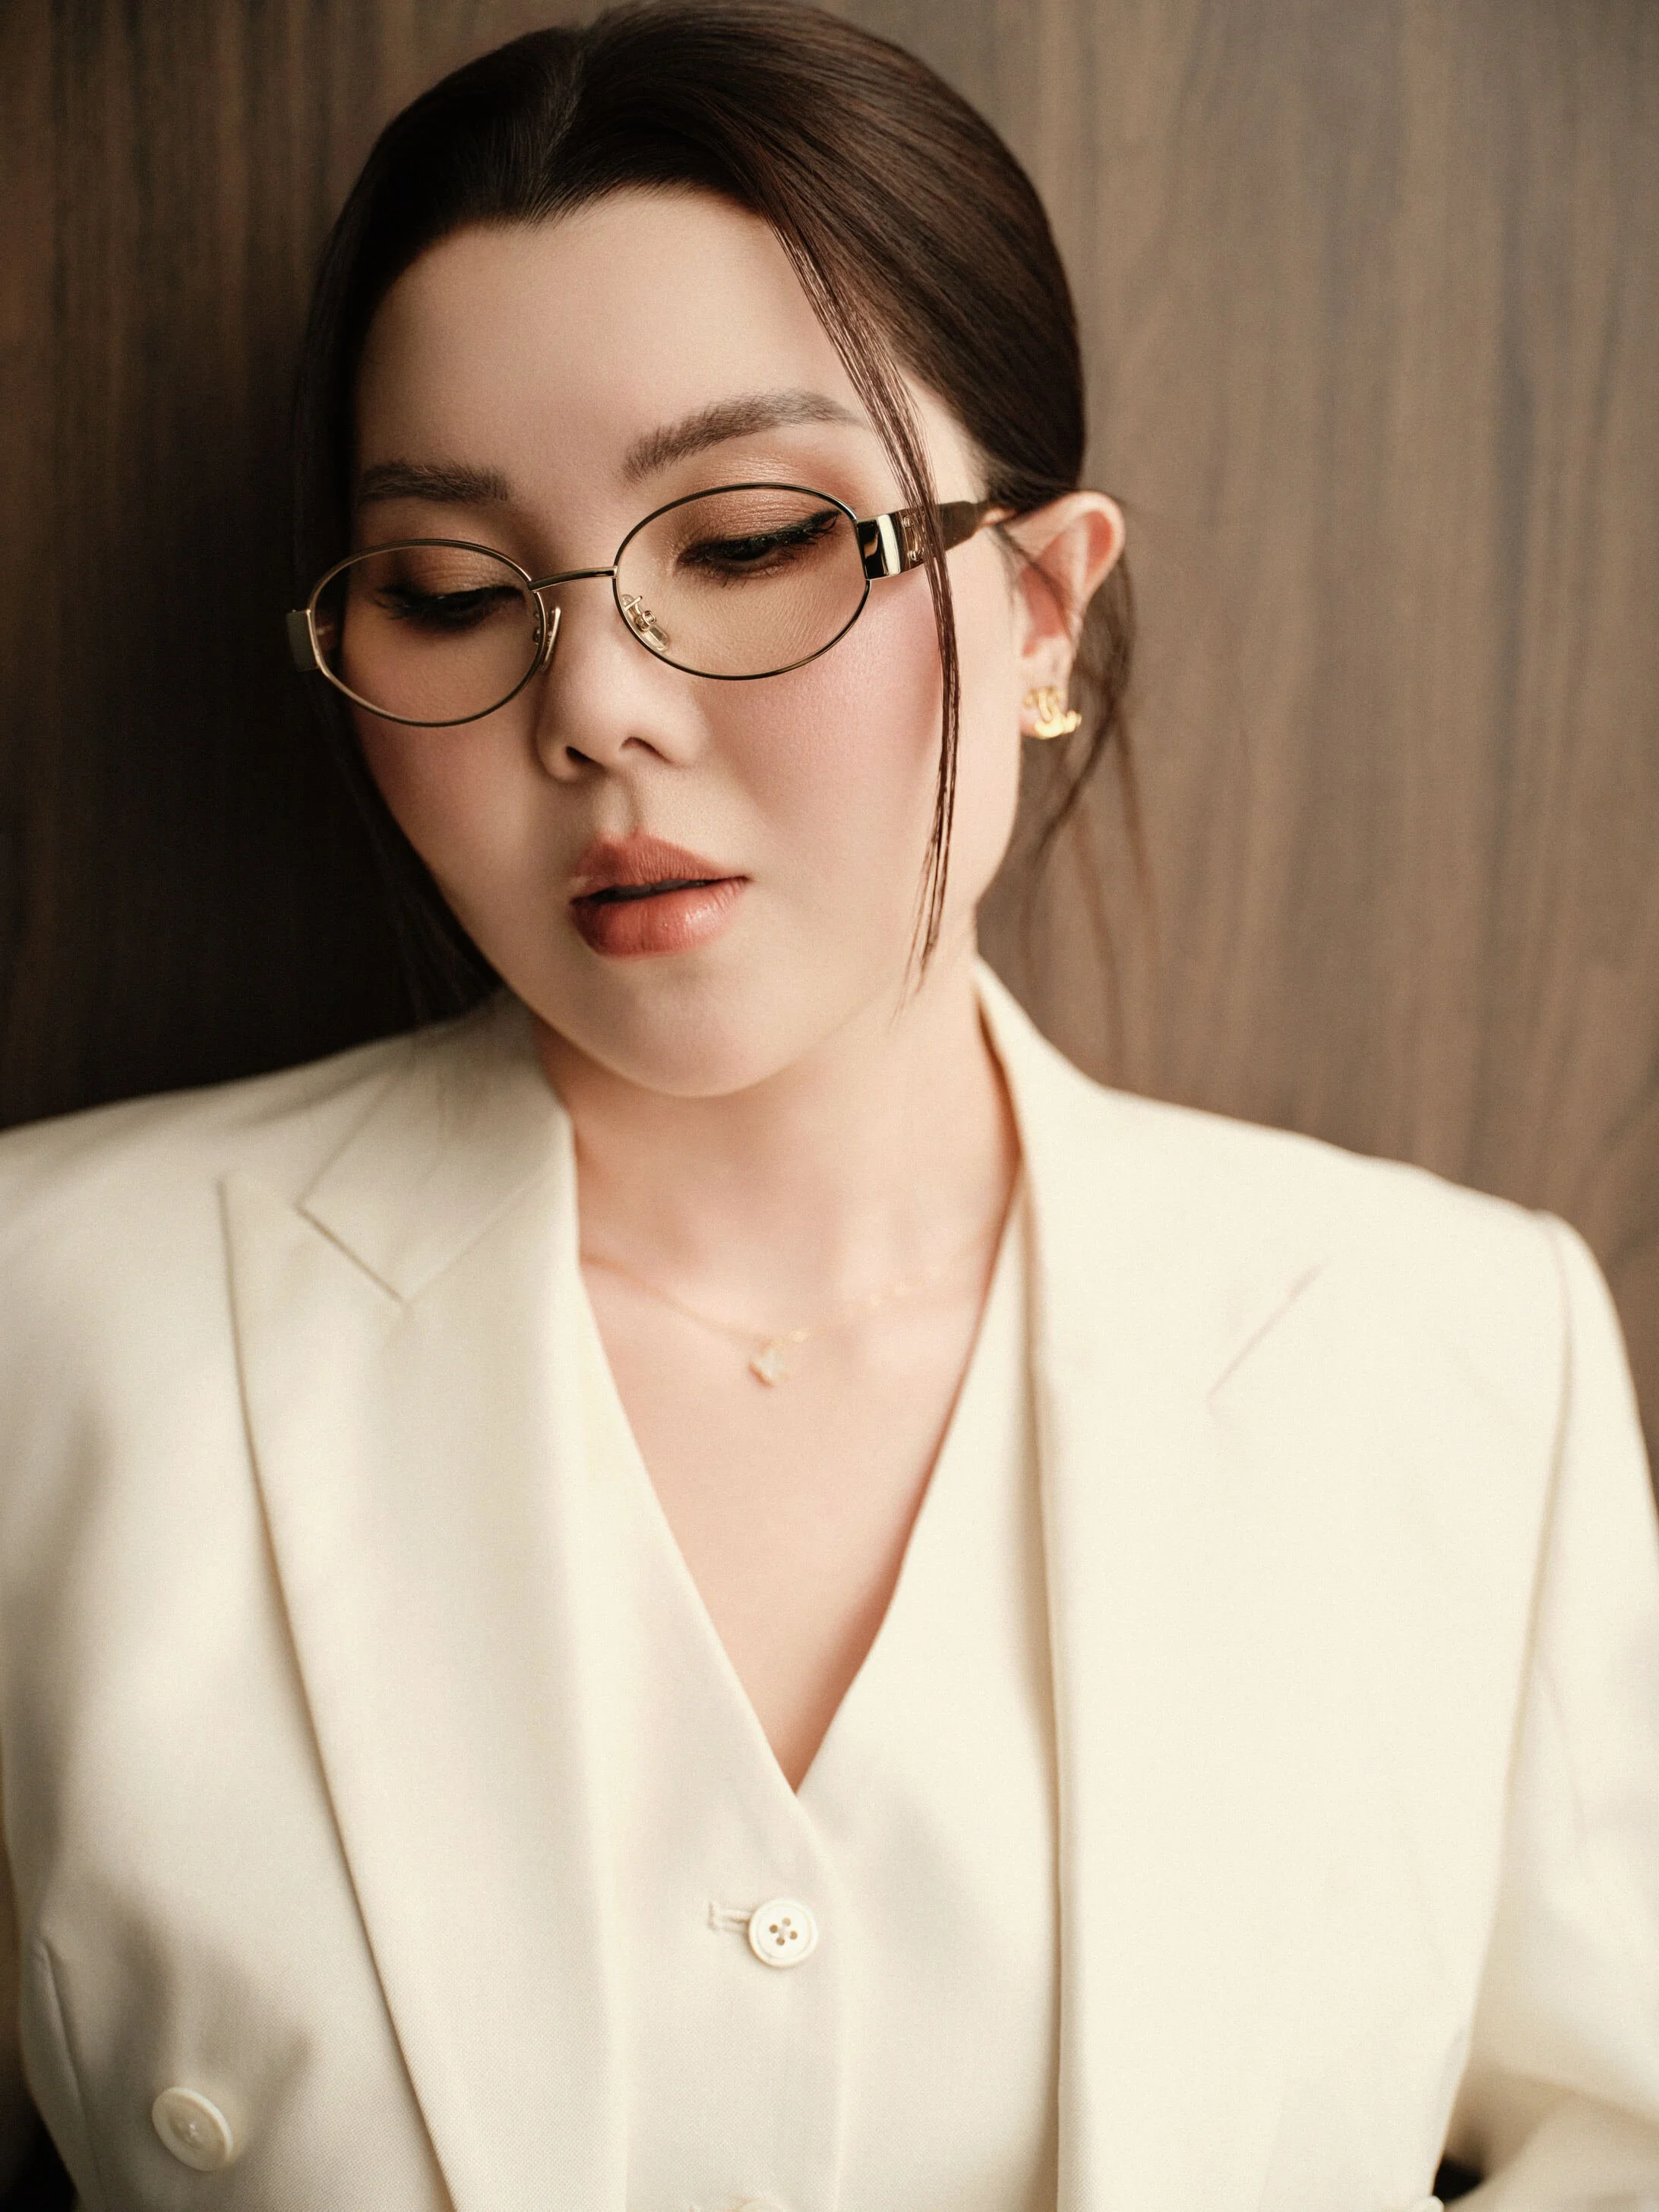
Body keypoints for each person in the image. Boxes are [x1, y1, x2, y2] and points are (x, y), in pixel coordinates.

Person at [2, 5, 1657, 2207]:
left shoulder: (1458, 1351)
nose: (593, 704)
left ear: (1047, 606)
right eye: (447, 589)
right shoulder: (53, 1320)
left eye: (758, 540)